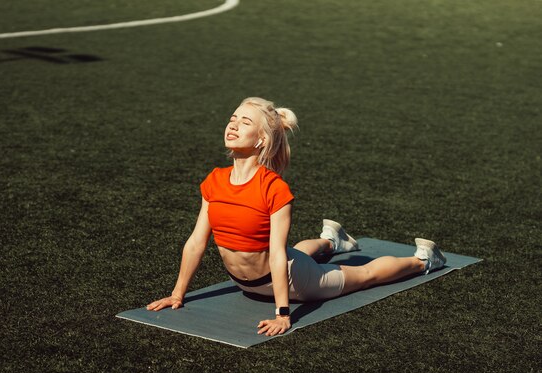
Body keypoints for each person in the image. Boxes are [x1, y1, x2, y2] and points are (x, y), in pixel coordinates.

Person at [146, 97, 447, 337]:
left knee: (363, 276)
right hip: (243, 281)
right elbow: (197, 241)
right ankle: (331, 242)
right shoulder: (214, 180)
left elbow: (277, 253)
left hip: (294, 282)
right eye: (232, 118)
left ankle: (424, 260)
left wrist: (282, 313)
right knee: (298, 253)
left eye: (244, 121)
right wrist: (177, 294)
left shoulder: (274, 188)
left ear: (262, 139)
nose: (233, 125)